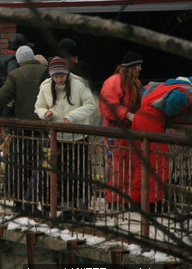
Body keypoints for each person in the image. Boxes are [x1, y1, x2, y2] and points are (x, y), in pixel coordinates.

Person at [0, 45, 46, 212]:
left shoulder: (15, 75)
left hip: (23, 128)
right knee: (42, 167)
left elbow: (1, 97)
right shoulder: (46, 72)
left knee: (21, 165)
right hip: (46, 127)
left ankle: (21, 202)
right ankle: (39, 202)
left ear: (19, 61)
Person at [34, 56, 96, 219]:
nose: (59, 80)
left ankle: (81, 208)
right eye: (55, 77)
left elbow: (90, 105)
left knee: (79, 173)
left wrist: (72, 116)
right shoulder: (46, 86)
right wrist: (44, 114)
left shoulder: (79, 84)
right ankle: (67, 208)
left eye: (61, 76)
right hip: (56, 137)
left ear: (67, 74)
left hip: (78, 136)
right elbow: (38, 106)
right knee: (60, 174)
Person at [130, 76, 192, 212]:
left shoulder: (165, 84)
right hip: (152, 121)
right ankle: (152, 203)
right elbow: (171, 106)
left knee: (142, 163)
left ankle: (136, 201)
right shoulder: (187, 90)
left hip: (140, 118)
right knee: (158, 164)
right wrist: (175, 115)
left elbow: (144, 89)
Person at [98, 51, 143, 206]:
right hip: (115, 128)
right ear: (130, 67)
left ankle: (126, 197)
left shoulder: (133, 83)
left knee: (128, 163)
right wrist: (127, 115)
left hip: (127, 129)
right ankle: (114, 199)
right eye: (137, 65)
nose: (140, 68)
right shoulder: (115, 82)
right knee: (116, 164)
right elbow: (108, 105)